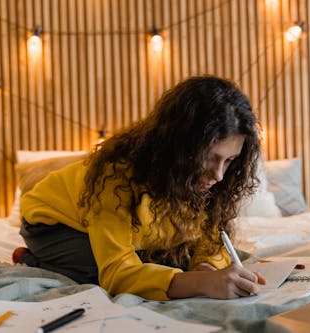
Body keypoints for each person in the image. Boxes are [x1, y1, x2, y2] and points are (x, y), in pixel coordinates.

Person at [17, 75, 266, 301]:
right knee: (103, 274)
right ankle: (33, 259)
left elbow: (210, 243)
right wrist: (197, 282)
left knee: (176, 261)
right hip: (53, 225)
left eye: (230, 160)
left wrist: (206, 268)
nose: (219, 175)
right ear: (179, 148)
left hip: (106, 227)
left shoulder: (209, 182)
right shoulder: (115, 179)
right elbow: (117, 272)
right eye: (210, 157)